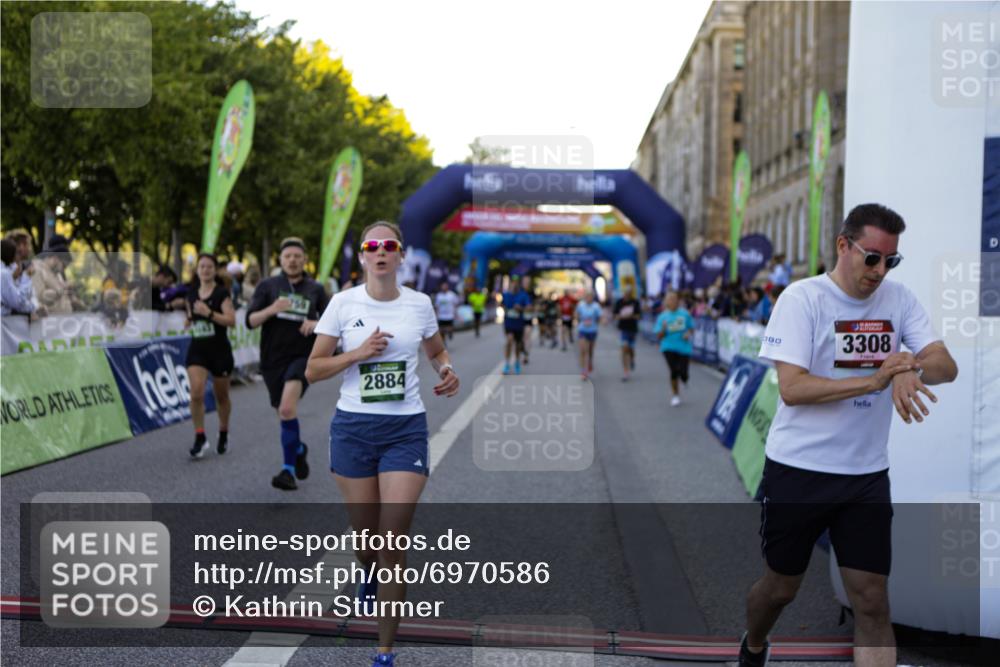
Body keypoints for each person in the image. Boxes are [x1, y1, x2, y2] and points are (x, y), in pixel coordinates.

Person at [739, 203, 958, 667]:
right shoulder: (802, 299)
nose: (880, 270)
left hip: (864, 476)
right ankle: (754, 643)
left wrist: (909, 364)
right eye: (872, 257)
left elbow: (946, 365)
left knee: (873, 600)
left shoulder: (899, 300)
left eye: (890, 260)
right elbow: (794, 389)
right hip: (799, 471)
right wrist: (878, 378)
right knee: (780, 590)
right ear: (844, 246)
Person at [306, 221, 459, 667]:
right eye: (372, 246)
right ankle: (366, 571)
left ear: (400, 255)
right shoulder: (342, 303)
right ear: (362, 257)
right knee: (366, 540)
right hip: (352, 429)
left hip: (404, 430)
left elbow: (436, 351)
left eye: (388, 245)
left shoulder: (419, 304)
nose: (380, 252)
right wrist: (357, 353)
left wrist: (447, 370)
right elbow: (314, 370)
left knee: (393, 539)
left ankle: (384, 652)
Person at [246, 237, 329, 490]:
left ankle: (287, 471)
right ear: (280, 260)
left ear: (304, 260)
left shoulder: (316, 289)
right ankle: (299, 449)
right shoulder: (268, 286)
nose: (292, 260)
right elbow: (250, 321)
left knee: (285, 409)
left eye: (297, 256)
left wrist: (317, 324)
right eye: (288, 256)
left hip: (303, 358)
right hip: (272, 359)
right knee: (285, 415)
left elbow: (332, 323)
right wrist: (272, 309)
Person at [185, 253, 236, 458]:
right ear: (197, 270)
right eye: (202, 267)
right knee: (196, 393)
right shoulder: (191, 294)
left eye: (209, 267)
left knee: (221, 397)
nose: (205, 270)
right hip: (197, 349)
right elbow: (191, 316)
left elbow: (231, 321)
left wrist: (209, 314)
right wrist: (190, 320)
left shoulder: (222, 293)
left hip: (219, 351)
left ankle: (223, 432)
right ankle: (200, 436)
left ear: (215, 270)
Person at [653, 291, 694, 406]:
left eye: (674, 299)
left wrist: (688, 333)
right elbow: (658, 336)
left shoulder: (685, 314)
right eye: (669, 299)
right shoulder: (662, 317)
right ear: (666, 302)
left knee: (683, 372)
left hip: (683, 347)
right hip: (668, 347)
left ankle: (684, 379)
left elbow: (691, 328)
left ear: (678, 301)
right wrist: (663, 329)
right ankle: (675, 395)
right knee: (674, 370)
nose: (672, 301)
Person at [31, 236, 74, 315]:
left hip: (62, 321)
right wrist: (62, 289)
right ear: (55, 258)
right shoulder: (37, 270)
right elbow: (40, 297)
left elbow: (61, 295)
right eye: (63, 266)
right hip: (48, 322)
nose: (63, 269)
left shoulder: (57, 274)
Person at [501, 278, 530, 374]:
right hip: (508, 322)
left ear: (518, 285)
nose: (514, 285)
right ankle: (507, 364)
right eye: (512, 283)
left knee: (517, 344)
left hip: (519, 323)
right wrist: (503, 307)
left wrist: (520, 308)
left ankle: (517, 362)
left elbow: (529, 307)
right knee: (509, 340)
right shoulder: (506, 295)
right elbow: (501, 304)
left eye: (516, 283)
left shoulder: (523, 295)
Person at [613, 284, 641, 381]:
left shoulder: (635, 302)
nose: (627, 294)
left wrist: (630, 316)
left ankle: (632, 359)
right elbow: (615, 316)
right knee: (624, 348)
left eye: (629, 292)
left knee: (631, 349)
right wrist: (622, 316)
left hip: (632, 329)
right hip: (623, 329)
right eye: (625, 292)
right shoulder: (619, 302)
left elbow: (638, 316)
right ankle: (625, 371)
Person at [574, 290, 602, 380]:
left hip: (592, 330)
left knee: (590, 351)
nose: (588, 298)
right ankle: (583, 371)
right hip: (582, 330)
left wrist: (599, 322)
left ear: (592, 297)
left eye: (590, 296)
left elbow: (600, 317)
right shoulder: (580, 305)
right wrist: (578, 318)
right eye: (587, 296)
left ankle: (590, 361)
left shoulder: (596, 306)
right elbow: (576, 314)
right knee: (583, 350)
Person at [520, 276, 535, 363]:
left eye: (528, 282)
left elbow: (535, 306)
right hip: (519, 318)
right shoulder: (519, 292)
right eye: (525, 281)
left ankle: (526, 356)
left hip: (528, 318)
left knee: (527, 336)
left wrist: (531, 308)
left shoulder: (531, 293)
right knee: (520, 338)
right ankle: (522, 351)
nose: (526, 283)